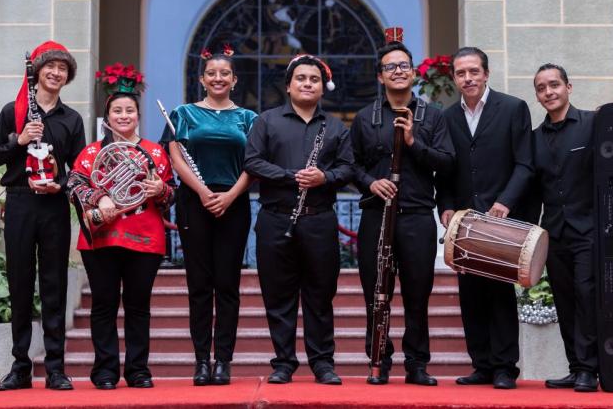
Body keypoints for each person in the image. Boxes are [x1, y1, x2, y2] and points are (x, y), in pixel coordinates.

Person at [350, 30, 455, 386]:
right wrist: (369, 183)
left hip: (415, 215)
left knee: (417, 293)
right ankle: (378, 360)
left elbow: (446, 162)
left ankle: (417, 364)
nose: (397, 71)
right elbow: (352, 165)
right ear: (380, 76)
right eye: (389, 67)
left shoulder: (433, 116)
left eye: (403, 66)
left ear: (413, 73)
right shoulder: (365, 118)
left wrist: (413, 142)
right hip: (376, 215)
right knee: (375, 292)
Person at [0, 41, 86, 391]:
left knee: (54, 286)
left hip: (54, 206)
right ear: (38, 72)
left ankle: (56, 368)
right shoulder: (13, 111)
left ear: (67, 76)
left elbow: (80, 171)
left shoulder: (72, 118)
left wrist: (61, 185)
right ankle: (21, 366)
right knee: (21, 285)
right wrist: (19, 139)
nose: (56, 73)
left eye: (63, 68)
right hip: (21, 203)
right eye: (50, 67)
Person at [244, 54, 354, 385]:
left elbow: (349, 168)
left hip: (319, 219)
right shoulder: (267, 121)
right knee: (278, 294)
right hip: (275, 218)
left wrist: (325, 177)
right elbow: (252, 161)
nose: (307, 83)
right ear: (289, 85)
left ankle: (322, 362)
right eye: (301, 78)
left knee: (321, 294)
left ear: (323, 87)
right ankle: (284, 362)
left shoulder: (335, 126)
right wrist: (291, 176)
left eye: (314, 79)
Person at [67, 70, 175, 390]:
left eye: (129, 111)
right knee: (104, 305)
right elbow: (74, 184)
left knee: (138, 306)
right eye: (117, 111)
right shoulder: (90, 152)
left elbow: (170, 196)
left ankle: (138, 370)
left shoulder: (155, 152)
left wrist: (161, 192)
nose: (124, 115)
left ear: (138, 116)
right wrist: (99, 197)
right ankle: (105, 371)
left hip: (146, 237)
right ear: (108, 117)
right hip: (102, 238)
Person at [533, 63, 613, 392]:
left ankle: (589, 370)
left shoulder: (593, 123)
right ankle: (575, 367)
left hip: (588, 231)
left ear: (568, 87)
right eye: (541, 88)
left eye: (554, 85)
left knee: (586, 295)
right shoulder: (534, 138)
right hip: (554, 232)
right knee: (563, 300)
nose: (549, 92)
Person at [437, 46, 534, 390]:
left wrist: (506, 201)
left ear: (486, 74)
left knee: (499, 292)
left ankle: (505, 367)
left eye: (474, 72)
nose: (468, 78)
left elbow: (525, 163)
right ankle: (481, 365)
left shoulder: (512, 108)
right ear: (454, 78)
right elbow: (445, 170)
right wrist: (446, 206)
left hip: (501, 220)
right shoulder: (447, 118)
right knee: (470, 294)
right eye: (461, 73)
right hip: (463, 221)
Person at [161, 46, 257, 386]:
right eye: (212, 73)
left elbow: (254, 164)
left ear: (234, 80)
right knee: (199, 284)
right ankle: (201, 360)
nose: (218, 78)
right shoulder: (183, 114)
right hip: (194, 202)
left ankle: (223, 361)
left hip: (234, 203)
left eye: (224, 74)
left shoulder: (248, 118)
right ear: (202, 79)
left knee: (227, 285)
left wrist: (229, 196)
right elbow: (176, 159)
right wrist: (203, 193)